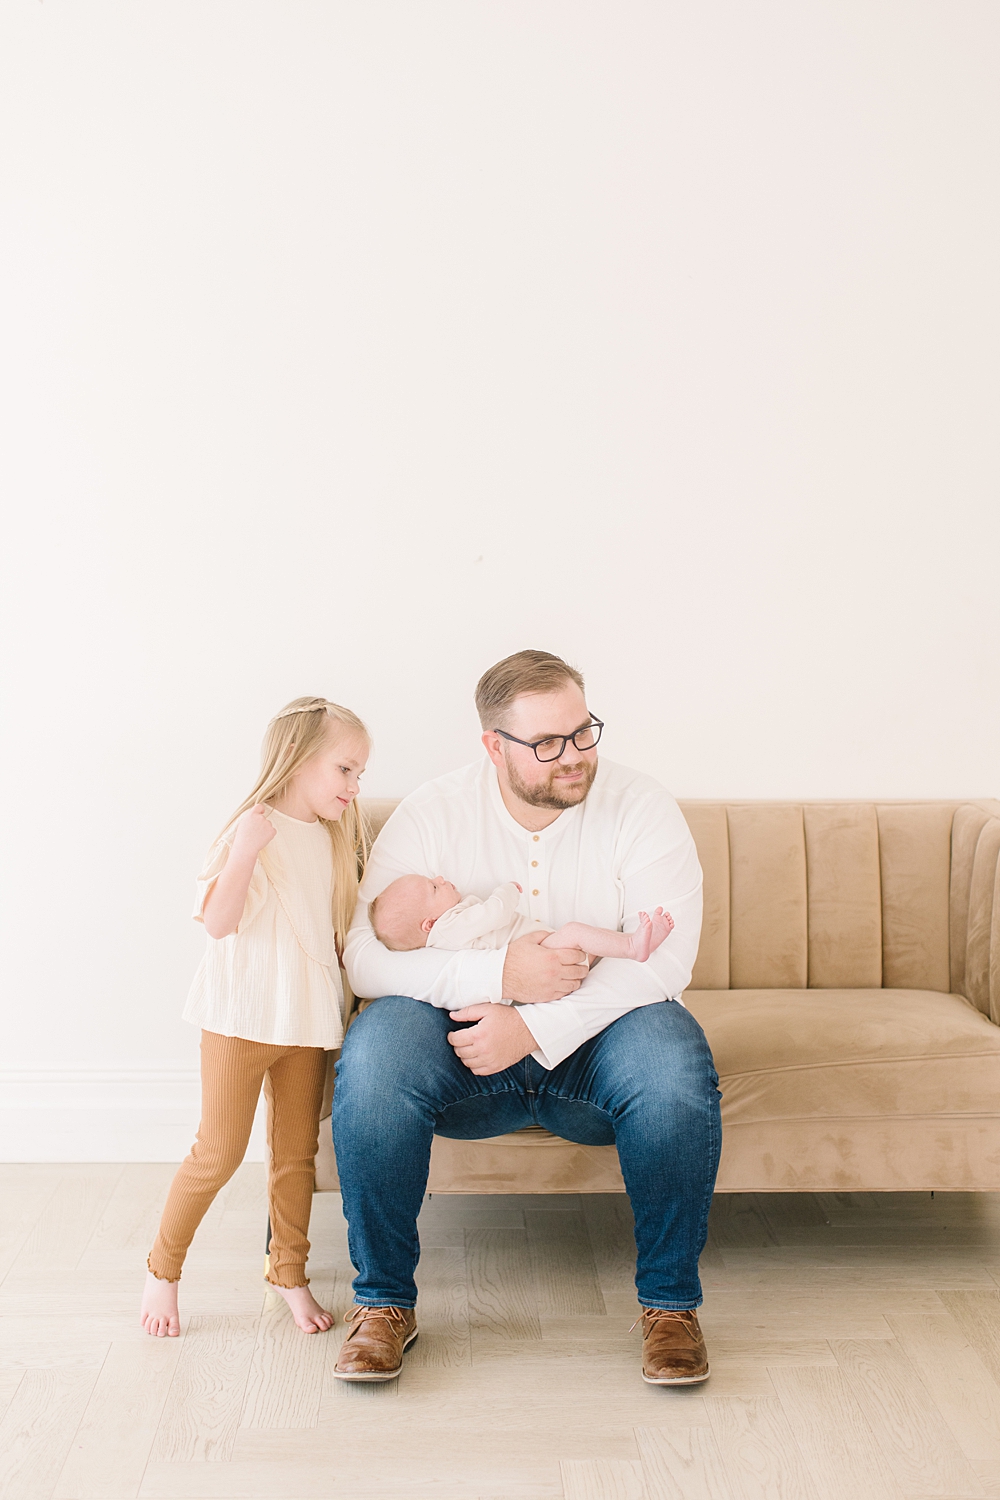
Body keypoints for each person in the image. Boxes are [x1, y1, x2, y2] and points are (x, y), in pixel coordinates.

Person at [333, 650, 721, 1385]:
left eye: (583, 731)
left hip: (602, 1043)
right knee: (377, 1050)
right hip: (462, 1043)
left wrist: (535, 1028)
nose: (573, 755)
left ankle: (671, 1307)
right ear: (494, 746)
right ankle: (383, 1302)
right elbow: (363, 959)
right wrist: (498, 977)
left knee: (673, 1059)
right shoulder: (432, 811)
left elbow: (665, 963)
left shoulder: (642, 806)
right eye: (546, 743)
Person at [141, 697, 370, 1338]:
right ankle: (162, 1270)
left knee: (296, 1158)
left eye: (360, 774)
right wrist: (244, 851)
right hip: (239, 1018)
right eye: (345, 770)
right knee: (217, 1152)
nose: (355, 786)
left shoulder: (334, 837)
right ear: (297, 759)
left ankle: (288, 1274)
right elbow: (219, 923)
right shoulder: (251, 827)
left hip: (305, 1022)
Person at [370, 872, 675, 962]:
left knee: (586, 943)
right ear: (429, 924)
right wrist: (506, 891)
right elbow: (494, 914)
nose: (440, 878)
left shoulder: (447, 929)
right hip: (540, 955)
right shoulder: (450, 928)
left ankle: (635, 943)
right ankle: (632, 946)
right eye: (434, 887)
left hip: (540, 949)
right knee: (575, 932)